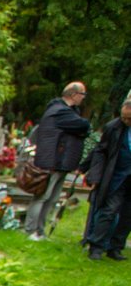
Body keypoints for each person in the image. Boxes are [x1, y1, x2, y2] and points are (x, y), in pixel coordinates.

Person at [24, 82, 90, 242]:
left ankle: (40, 232)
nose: (83, 98)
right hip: (51, 161)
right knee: (42, 197)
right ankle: (30, 231)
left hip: (61, 162)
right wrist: (81, 129)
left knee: (52, 199)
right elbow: (84, 125)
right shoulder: (59, 111)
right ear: (73, 94)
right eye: (82, 94)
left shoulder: (69, 112)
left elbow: (83, 130)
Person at [84, 100, 131, 261]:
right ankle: (96, 247)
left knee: (127, 215)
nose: (126, 121)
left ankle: (115, 247)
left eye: (129, 118)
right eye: (124, 117)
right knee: (109, 211)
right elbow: (100, 151)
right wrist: (95, 175)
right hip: (116, 177)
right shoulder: (113, 127)